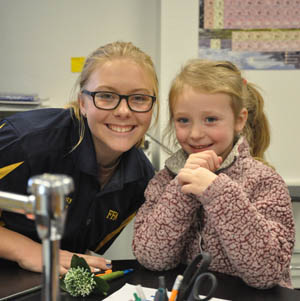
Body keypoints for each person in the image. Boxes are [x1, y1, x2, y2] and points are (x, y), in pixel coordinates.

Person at [132, 59, 295, 289]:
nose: (196, 133)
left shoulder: (264, 181)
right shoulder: (165, 181)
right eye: (183, 120)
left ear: (239, 120)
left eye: (210, 119)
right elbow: (151, 258)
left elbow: (266, 273)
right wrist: (183, 187)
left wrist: (218, 193)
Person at [0, 41, 159, 274]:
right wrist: (29, 251)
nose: (124, 111)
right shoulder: (24, 142)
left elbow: (77, 248)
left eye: (139, 98)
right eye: (106, 96)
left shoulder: (140, 179)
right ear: (82, 103)